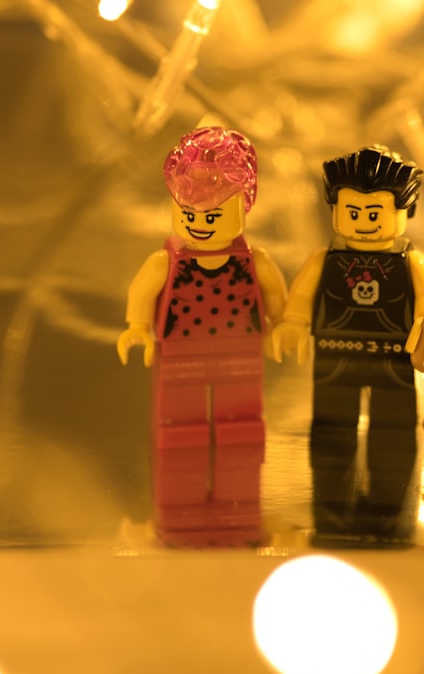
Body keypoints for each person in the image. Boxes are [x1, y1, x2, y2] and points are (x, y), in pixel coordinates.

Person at [118, 127, 287, 544]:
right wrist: (137, 327)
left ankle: (238, 468)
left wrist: (282, 326)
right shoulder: (166, 261)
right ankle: (182, 469)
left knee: (240, 423)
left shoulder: (255, 260)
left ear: (244, 205)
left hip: (240, 351)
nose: (199, 225)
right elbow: (142, 292)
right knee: (181, 423)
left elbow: (274, 295)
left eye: (212, 216)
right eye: (188, 214)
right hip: (182, 350)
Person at [273, 145, 424, 545]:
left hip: (394, 358)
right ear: (335, 210)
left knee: (394, 435)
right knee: (331, 433)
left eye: (374, 213)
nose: (363, 222)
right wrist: (294, 323)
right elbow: (302, 295)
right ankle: (332, 508)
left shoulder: (412, 261)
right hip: (336, 355)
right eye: (353, 213)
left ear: (404, 211)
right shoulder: (324, 258)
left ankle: (390, 510)